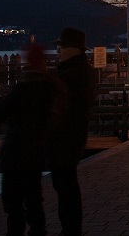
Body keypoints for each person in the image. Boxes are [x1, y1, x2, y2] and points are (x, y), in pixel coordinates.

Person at [0, 43, 55, 236]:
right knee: (34, 198)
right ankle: (38, 231)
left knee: (13, 204)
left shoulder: (23, 89)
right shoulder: (50, 89)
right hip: (37, 151)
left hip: (15, 153)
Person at [50, 27, 95, 236]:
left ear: (74, 49)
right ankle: (70, 228)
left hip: (67, 136)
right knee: (65, 184)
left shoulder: (74, 73)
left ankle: (70, 229)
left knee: (65, 185)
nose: (58, 49)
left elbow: (62, 104)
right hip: (70, 136)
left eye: (62, 46)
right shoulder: (76, 69)